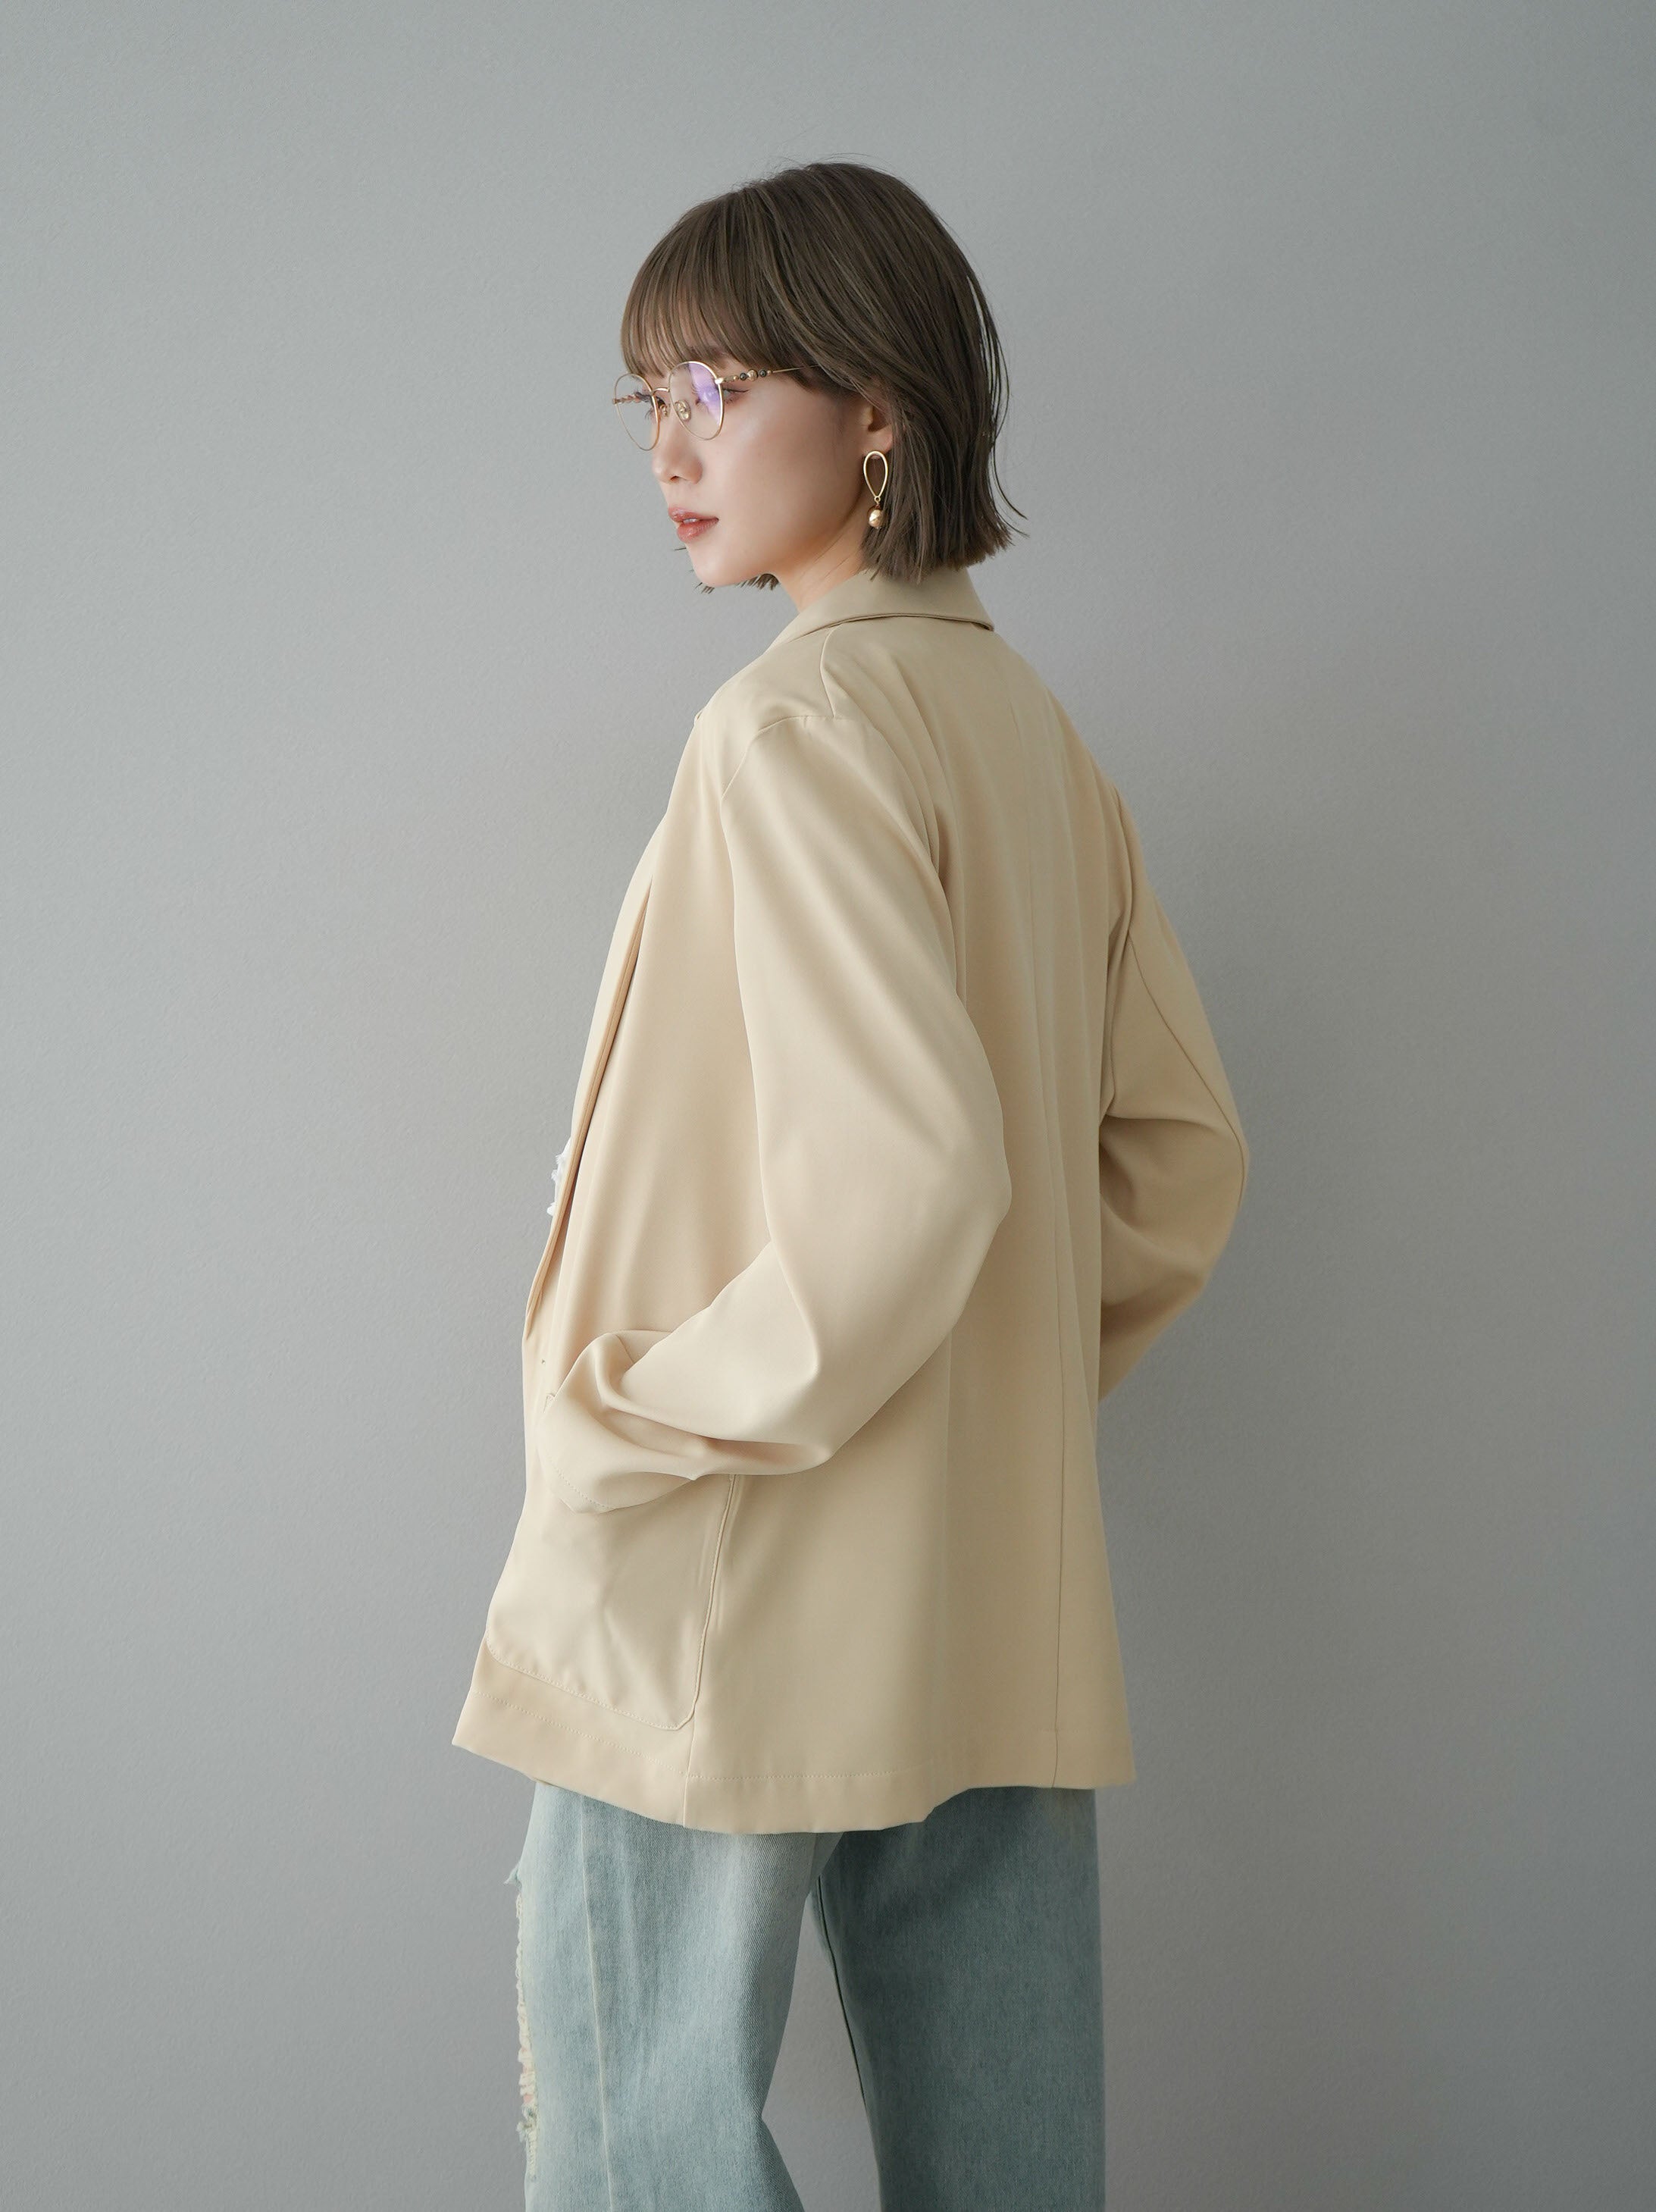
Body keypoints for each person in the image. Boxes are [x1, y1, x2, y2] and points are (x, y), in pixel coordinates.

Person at [452, 158, 1249, 2211]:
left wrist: (635, 1411)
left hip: (724, 1575)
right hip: (988, 1592)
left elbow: (914, 1181)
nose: (670, 452)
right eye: (649, 402)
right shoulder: (1035, 742)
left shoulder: (789, 731)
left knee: (634, 2151)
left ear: (876, 407)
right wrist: (981, 1400)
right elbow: (1176, 1162)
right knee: (1009, 2167)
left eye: (715, 390)